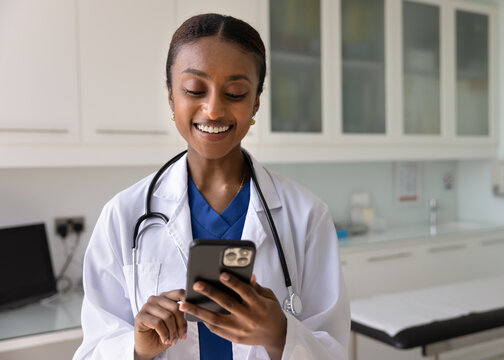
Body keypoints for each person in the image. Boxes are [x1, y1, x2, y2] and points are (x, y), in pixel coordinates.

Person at [73, 13, 350, 360]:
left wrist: (280, 334)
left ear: (256, 103)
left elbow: (334, 351)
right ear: (172, 97)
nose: (214, 109)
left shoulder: (307, 216)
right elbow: (91, 352)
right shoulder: (123, 216)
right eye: (194, 90)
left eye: (235, 93)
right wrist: (137, 348)